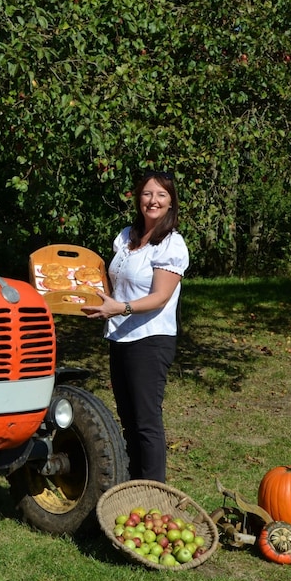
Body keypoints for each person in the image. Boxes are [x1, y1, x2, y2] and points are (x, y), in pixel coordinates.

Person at [81, 170, 190, 483]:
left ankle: (155, 492)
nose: (152, 201)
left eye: (161, 195)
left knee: (146, 422)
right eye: (147, 194)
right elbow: (110, 283)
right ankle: (132, 486)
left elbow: (159, 297)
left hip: (150, 339)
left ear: (171, 203)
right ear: (138, 198)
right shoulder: (126, 236)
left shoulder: (171, 244)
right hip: (120, 336)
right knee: (128, 420)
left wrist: (121, 308)